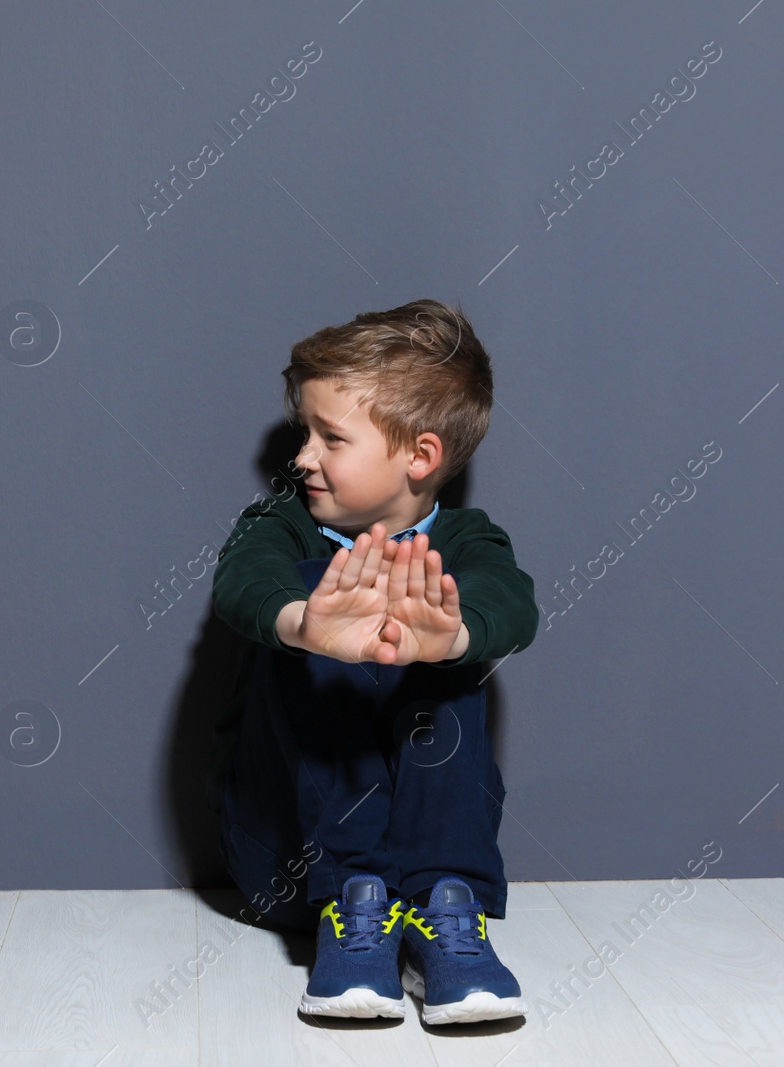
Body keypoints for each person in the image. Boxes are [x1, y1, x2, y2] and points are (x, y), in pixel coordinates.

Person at [208, 298, 541, 1025]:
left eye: (330, 437)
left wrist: (447, 637)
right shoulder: (282, 522)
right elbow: (242, 580)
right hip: (287, 858)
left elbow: (513, 603)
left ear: (420, 456)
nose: (302, 457)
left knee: (450, 624)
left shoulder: (469, 539)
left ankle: (447, 908)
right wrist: (307, 624)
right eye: (305, 433)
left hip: (425, 862)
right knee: (315, 591)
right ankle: (353, 898)